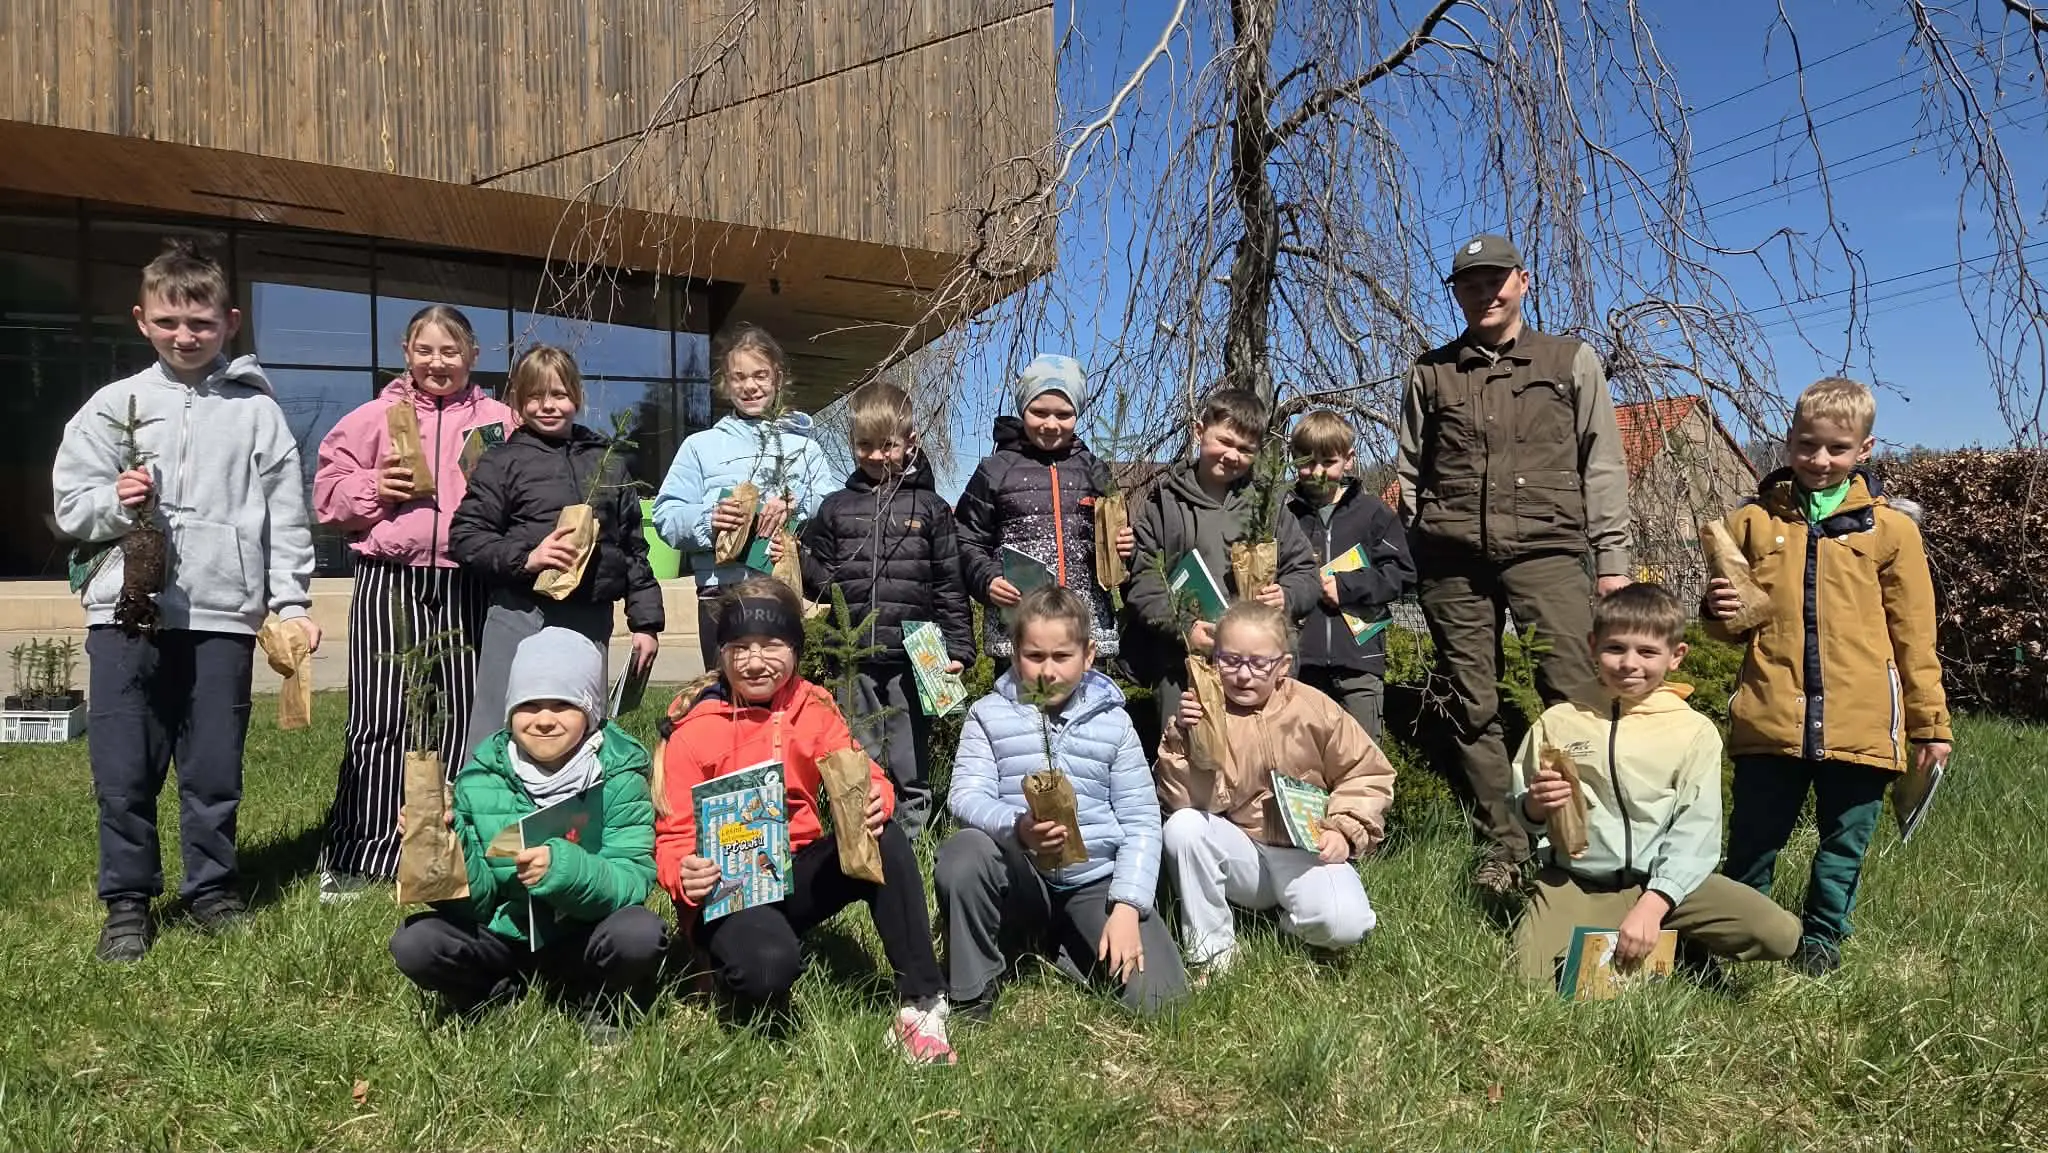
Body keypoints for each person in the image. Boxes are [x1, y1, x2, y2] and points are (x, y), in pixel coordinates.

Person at [52, 239, 321, 961]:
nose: (185, 335)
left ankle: (211, 889)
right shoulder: (112, 406)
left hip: (223, 616)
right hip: (126, 615)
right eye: (168, 321)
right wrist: (115, 501)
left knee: (212, 766)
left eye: (200, 322)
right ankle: (128, 902)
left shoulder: (257, 414)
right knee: (123, 767)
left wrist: (291, 601)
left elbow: (286, 514)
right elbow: (71, 506)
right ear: (142, 320)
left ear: (229, 322)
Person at [1395, 233, 1634, 899]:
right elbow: (1410, 470)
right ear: (1457, 295)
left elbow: (1603, 464)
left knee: (1574, 696)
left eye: (1496, 280)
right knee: (1471, 704)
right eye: (1470, 285)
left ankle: (1580, 841)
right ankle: (1505, 845)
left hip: (1549, 553)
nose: (1485, 294)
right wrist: (1421, 542)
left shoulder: (1568, 360)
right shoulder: (1431, 373)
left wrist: (1612, 562)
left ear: (1523, 281)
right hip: (1452, 565)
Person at [1705, 377, 1952, 976]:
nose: (1820, 459)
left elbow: (1915, 635)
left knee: (1843, 846)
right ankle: (1736, 942)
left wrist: (1930, 725)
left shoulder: (1891, 531)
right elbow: (1730, 626)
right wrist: (1716, 611)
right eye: (1807, 445)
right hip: (1770, 716)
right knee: (1754, 839)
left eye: (1838, 449)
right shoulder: (1751, 523)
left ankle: (1821, 941)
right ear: (1789, 440)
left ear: (1864, 450)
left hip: (1862, 721)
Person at [654, 578, 956, 1064]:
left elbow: (860, 768)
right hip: (729, 889)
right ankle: (727, 959)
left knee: (883, 838)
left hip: (795, 872)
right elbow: (673, 836)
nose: (755, 662)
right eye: (740, 648)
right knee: (766, 971)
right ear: (721, 652)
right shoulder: (692, 729)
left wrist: (876, 798)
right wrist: (683, 872)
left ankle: (922, 1002)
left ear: (795, 648)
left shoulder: (811, 705)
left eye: (772, 646)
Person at [311, 304, 516, 901]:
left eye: (450, 351)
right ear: (406, 352)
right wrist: (374, 488)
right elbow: (326, 497)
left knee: (462, 715)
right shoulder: (372, 418)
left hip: (468, 579)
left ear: (473, 355)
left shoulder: (501, 423)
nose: (437, 362)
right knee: (379, 715)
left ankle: (446, 843)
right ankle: (362, 851)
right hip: (389, 577)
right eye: (425, 350)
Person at [1508, 583, 1801, 984]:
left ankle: (1677, 935)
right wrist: (1534, 805)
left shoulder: (1692, 730)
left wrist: (1655, 902)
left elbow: (1696, 828)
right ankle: (1653, 947)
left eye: (1647, 652)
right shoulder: (1559, 721)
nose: (1629, 663)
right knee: (1529, 981)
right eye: (1615, 648)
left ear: (1675, 656)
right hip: (1578, 881)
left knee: (1779, 934)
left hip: (1665, 884)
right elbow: (1522, 805)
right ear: (1593, 646)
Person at [388, 628, 668, 1044]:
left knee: (639, 933)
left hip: (585, 933)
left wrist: (564, 870)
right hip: (506, 935)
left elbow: (632, 878)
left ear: (591, 710)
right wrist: (448, 846)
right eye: (529, 705)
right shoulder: (480, 777)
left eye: (563, 705)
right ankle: (489, 994)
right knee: (416, 942)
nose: (544, 719)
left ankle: (602, 1001)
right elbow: (478, 903)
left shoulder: (619, 777)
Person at [935, 586, 1189, 1019]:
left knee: (1162, 1003)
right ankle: (972, 991)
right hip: (1020, 878)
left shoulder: (1115, 723)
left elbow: (1141, 821)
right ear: (1015, 653)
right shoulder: (988, 714)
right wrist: (1018, 827)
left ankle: (1065, 944)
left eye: (1061, 657)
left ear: (1088, 655)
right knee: (963, 853)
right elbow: (965, 797)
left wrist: (1127, 907)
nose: (1047, 671)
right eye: (1034, 656)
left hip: (1094, 882)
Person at [1156, 600, 1395, 979]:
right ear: (1214, 658)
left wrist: (1344, 829)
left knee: (1346, 926)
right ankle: (1213, 954)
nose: (1243, 675)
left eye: (1259, 663)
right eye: (1230, 660)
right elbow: (1186, 802)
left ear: (1282, 665)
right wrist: (1183, 741)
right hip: (1245, 853)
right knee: (1183, 827)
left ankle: (1287, 921)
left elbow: (1367, 772)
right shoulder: (1204, 710)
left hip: (1308, 851)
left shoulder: (1313, 707)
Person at [449, 344, 663, 763]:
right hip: (520, 614)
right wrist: (527, 558)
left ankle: (576, 802)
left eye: (559, 394)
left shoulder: (608, 462)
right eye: (534, 396)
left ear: (577, 397)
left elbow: (633, 547)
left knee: (580, 725)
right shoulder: (501, 462)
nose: (547, 405)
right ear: (517, 400)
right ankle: (487, 800)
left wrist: (646, 623)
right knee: (502, 723)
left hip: (589, 617)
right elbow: (466, 537)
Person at [799, 381, 974, 838]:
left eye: (888, 445)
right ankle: (864, 833)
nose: (877, 456)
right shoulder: (836, 508)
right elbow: (824, 580)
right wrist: (796, 558)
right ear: (852, 443)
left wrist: (959, 647)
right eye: (865, 446)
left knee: (908, 748)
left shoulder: (930, 508)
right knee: (861, 746)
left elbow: (950, 583)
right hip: (854, 651)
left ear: (910, 442)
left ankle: (912, 833)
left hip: (914, 653)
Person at [1125, 386, 1320, 738]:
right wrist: (1184, 628)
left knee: (1261, 755)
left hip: (1257, 668)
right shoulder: (1163, 503)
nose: (1232, 455)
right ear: (1199, 431)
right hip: (1185, 664)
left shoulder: (1269, 505)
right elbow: (1143, 581)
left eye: (1245, 449)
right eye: (1225, 441)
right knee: (1188, 756)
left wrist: (1287, 595)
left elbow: (1305, 571)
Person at [651, 323, 835, 669]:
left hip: (781, 587)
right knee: (724, 686)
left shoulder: (805, 449)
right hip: (719, 593)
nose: (750, 386)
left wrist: (795, 503)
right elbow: (665, 515)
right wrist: (709, 520)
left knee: (778, 685)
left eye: (760, 375)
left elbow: (831, 508)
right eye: (739, 377)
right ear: (726, 382)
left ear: (777, 378)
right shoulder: (700, 447)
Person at [954, 354, 1130, 667]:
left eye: (1063, 414)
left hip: (1084, 636)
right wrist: (988, 579)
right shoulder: (995, 471)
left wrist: (1128, 547)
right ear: (1023, 409)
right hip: (1019, 636)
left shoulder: (1095, 471)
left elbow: (1119, 539)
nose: (1051, 424)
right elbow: (964, 540)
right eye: (1039, 412)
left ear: (1078, 413)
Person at [1286, 409, 1415, 740]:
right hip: (1302, 663)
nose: (1317, 473)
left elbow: (1402, 573)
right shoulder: (1286, 517)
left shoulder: (1373, 513)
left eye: (1328, 462)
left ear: (1349, 459)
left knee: (1361, 756)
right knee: (1304, 755)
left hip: (1359, 661)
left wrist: (1347, 586)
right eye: (1307, 463)